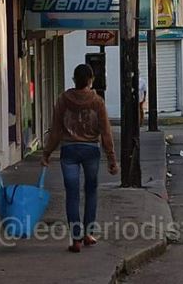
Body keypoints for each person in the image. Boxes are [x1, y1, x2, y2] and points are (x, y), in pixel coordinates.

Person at [42, 64, 119, 253]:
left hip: (68, 150)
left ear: (74, 80)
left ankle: (76, 238)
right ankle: (88, 233)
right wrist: (111, 158)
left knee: (72, 194)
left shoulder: (63, 100)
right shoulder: (97, 101)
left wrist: (47, 153)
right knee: (91, 191)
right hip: (91, 149)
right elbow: (106, 131)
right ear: (90, 80)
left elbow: (56, 130)